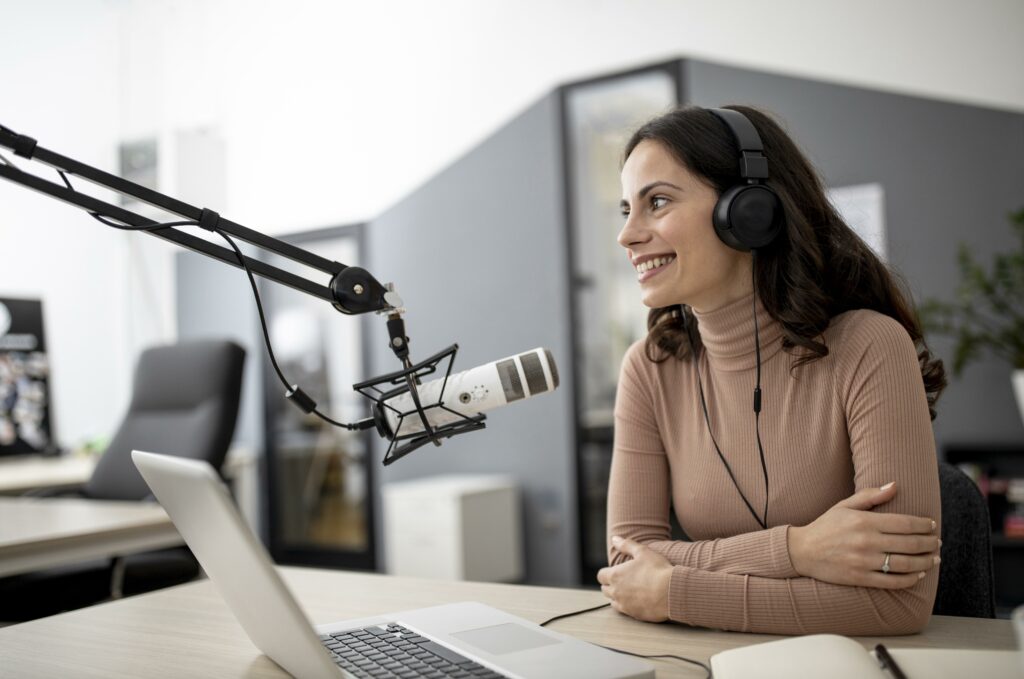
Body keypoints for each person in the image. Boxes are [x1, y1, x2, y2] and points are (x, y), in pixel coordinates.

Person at [596, 105, 946, 635]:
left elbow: (896, 605)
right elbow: (628, 564)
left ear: (749, 211)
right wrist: (798, 550)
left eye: (658, 202)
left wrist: (676, 590)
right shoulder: (650, 368)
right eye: (627, 210)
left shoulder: (868, 347)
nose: (627, 235)